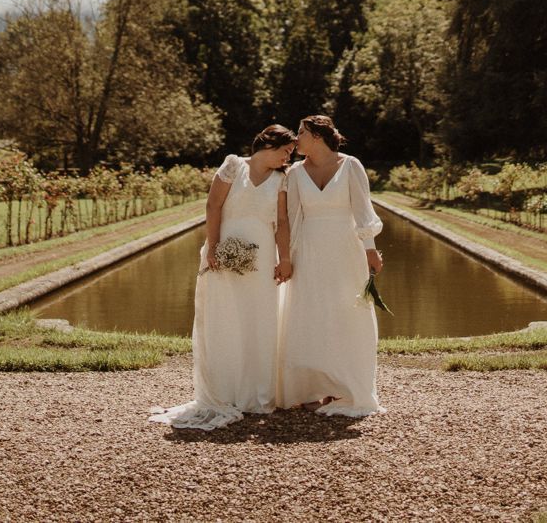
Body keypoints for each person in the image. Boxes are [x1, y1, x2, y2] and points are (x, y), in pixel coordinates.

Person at [149, 125, 295, 430]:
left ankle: (256, 394)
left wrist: (284, 258)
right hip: (224, 252)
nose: (289, 156)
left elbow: (281, 222)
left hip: (263, 257)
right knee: (225, 318)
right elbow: (213, 205)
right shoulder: (232, 165)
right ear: (269, 144)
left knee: (260, 319)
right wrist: (213, 247)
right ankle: (226, 391)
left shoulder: (283, 179)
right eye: (286, 150)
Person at [276, 114, 385, 417]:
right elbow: (292, 219)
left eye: (300, 132)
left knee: (344, 313)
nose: (295, 138)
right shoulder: (295, 173)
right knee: (309, 312)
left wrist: (370, 251)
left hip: (345, 250)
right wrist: (285, 258)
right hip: (308, 250)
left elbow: (363, 212)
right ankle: (309, 387)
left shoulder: (350, 165)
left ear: (317, 135)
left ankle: (343, 385)